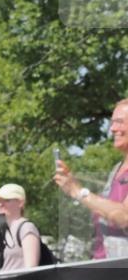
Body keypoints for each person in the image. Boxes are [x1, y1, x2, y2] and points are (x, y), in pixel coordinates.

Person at [54, 99, 128, 259]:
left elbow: (124, 217)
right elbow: (105, 211)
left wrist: (78, 191)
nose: (113, 129)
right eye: (112, 123)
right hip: (106, 267)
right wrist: (71, 184)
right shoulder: (116, 170)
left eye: (120, 122)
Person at [0, 183, 40, 270]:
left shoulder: (26, 228)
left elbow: (31, 269)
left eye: (7, 200)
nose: (0, 204)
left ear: (21, 203)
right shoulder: (0, 229)